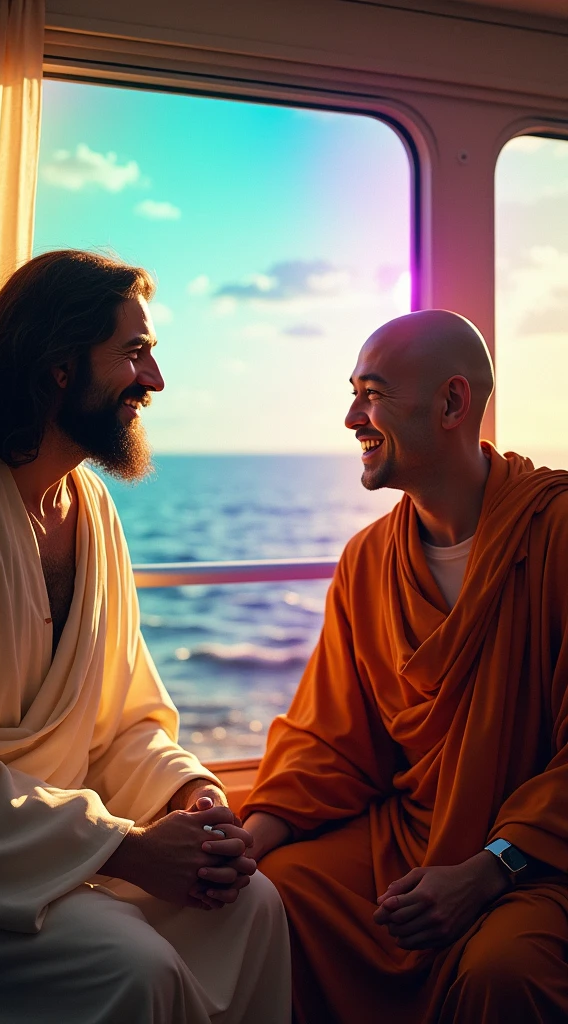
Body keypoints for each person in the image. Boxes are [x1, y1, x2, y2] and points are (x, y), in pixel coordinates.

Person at [0, 250, 290, 1024]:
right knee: (131, 970)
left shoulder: (90, 507)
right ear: (59, 365)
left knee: (253, 906)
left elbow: (122, 719)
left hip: (77, 853)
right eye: (136, 354)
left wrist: (193, 801)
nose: (155, 383)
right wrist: (129, 850)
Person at [241, 309, 568, 1024]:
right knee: (276, 891)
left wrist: (488, 871)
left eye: (374, 393)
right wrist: (250, 839)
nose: (353, 417)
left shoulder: (558, 533)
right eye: (354, 392)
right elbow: (332, 741)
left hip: (538, 861)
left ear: (452, 404)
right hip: (410, 840)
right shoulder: (367, 559)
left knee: (503, 971)